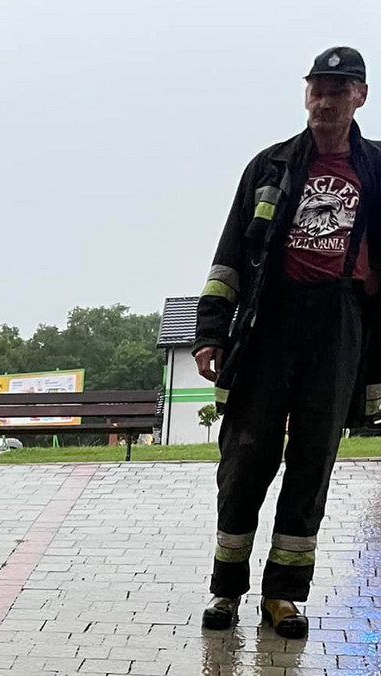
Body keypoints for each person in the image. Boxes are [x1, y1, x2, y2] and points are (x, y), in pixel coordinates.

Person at [194, 46, 381, 638]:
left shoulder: (377, 169)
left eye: (339, 89)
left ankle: (283, 597)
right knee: (245, 459)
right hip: (267, 325)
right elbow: (229, 257)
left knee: (312, 464)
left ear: (360, 96)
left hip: (340, 327)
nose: (325, 100)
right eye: (317, 89)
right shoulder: (269, 166)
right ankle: (226, 591)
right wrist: (210, 332)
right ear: (306, 96)